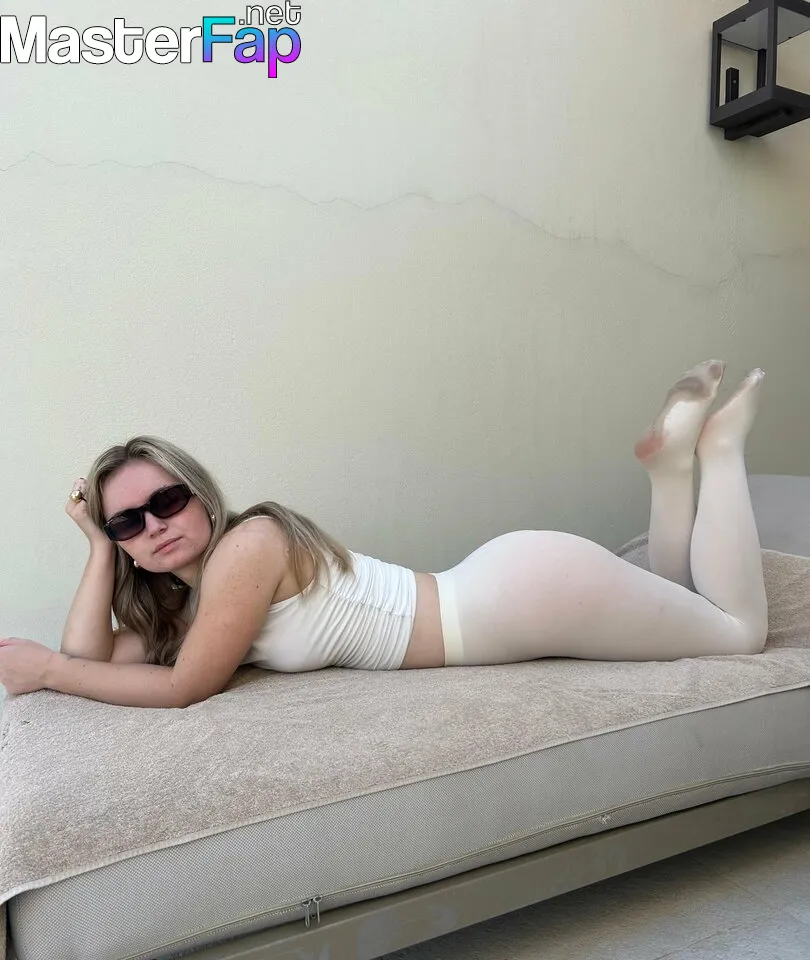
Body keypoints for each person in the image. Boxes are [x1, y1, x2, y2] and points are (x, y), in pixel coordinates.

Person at [0, 359, 768, 710]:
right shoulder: (190, 605)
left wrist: (47, 673)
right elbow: (92, 656)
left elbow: (181, 687)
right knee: (677, 600)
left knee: (740, 635)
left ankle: (721, 448)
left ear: (200, 497)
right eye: (128, 522)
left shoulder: (248, 545)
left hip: (518, 599)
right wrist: (94, 547)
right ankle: (671, 470)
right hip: (514, 588)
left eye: (165, 500)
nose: (154, 525)